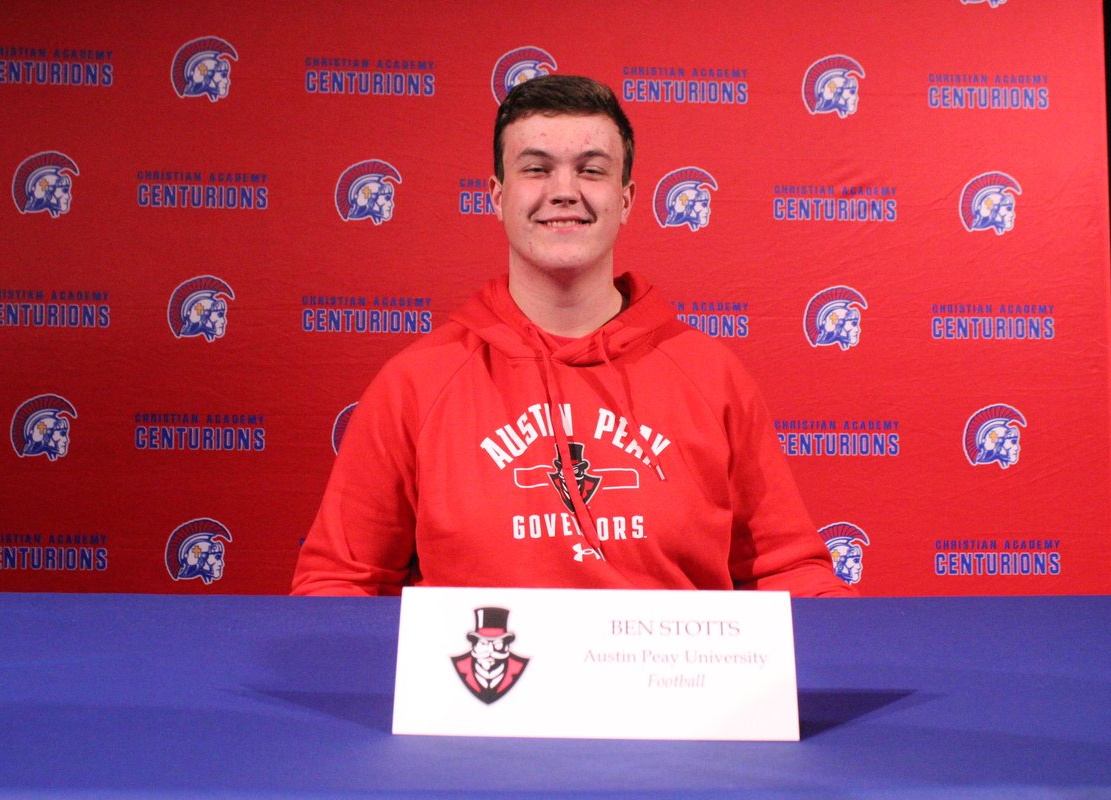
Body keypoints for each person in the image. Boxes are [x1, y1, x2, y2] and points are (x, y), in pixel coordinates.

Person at [292, 75, 854, 597]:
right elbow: (338, 584)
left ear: (627, 199)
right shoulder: (416, 383)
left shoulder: (710, 376)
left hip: (669, 698)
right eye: (536, 169)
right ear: (496, 197)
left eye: (591, 169)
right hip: (490, 691)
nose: (564, 191)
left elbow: (788, 570)